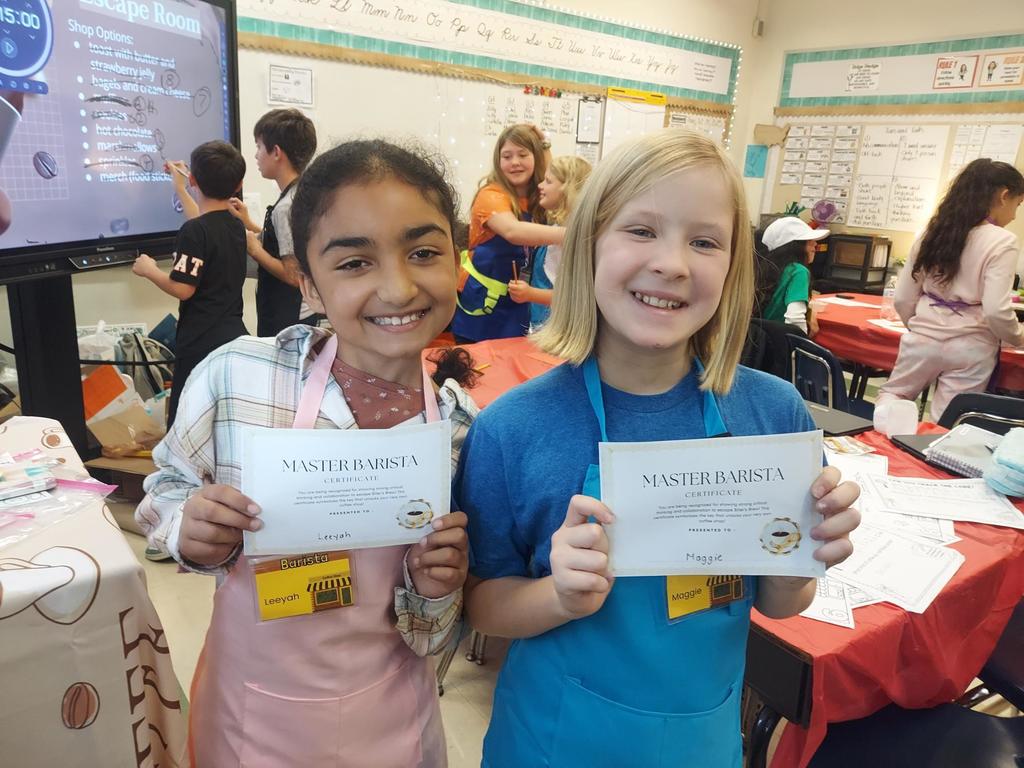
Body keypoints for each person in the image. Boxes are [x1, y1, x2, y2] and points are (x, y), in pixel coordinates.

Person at [455, 129, 861, 768]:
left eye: (705, 242)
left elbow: (781, 603)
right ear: (588, 245)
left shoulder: (773, 416)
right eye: (641, 230)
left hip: (703, 742)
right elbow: (482, 606)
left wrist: (799, 563)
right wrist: (556, 595)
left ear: (733, 268)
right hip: (552, 742)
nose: (673, 263)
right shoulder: (512, 429)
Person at [136, 140, 479, 766]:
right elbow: (166, 488)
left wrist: (436, 588)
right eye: (354, 263)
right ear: (309, 284)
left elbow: (436, 632)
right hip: (253, 718)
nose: (398, 287)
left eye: (423, 253)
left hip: (393, 720)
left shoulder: (459, 429)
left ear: (457, 262)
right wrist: (189, 526)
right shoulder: (236, 377)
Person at [876, 158, 1024, 422]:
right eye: (1018, 204)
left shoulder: (931, 233)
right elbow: (996, 311)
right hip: (971, 348)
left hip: (922, 339)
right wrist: (1018, 337)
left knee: (893, 397)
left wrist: (922, 327)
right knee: (948, 420)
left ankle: (882, 443)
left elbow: (903, 298)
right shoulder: (1002, 241)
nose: (1014, 215)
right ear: (1004, 196)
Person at [131, 140, 248, 428]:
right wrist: (181, 189)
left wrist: (149, 270)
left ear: (194, 178)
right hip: (233, 337)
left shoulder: (194, 232)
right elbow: (205, 225)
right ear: (238, 184)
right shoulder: (234, 224)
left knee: (186, 423)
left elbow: (183, 288)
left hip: (199, 342)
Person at [451, 124, 564, 342]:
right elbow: (513, 231)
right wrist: (574, 235)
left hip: (520, 300)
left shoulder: (539, 197)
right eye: (507, 156)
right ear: (498, 160)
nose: (515, 162)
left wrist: (544, 145)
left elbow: (561, 183)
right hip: (482, 302)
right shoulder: (490, 195)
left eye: (523, 154)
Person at [228, 108, 319, 335]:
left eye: (259, 147)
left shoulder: (286, 207)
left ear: (276, 152)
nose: (256, 156)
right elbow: (287, 245)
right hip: (303, 313)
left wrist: (255, 250)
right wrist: (249, 223)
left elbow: (293, 275)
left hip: (289, 318)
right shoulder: (303, 193)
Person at [508, 155, 592, 328]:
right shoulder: (557, 228)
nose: (540, 185)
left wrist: (530, 294)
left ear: (567, 189)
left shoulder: (570, 240)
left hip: (558, 329)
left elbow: (573, 297)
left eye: (548, 181)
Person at [755, 216, 829, 335]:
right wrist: (802, 342)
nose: (815, 244)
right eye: (809, 241)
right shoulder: (798, 271)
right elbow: (795, 319)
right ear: (796, 246)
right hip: (781, 339)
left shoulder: (767, 268)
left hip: (761, 337)